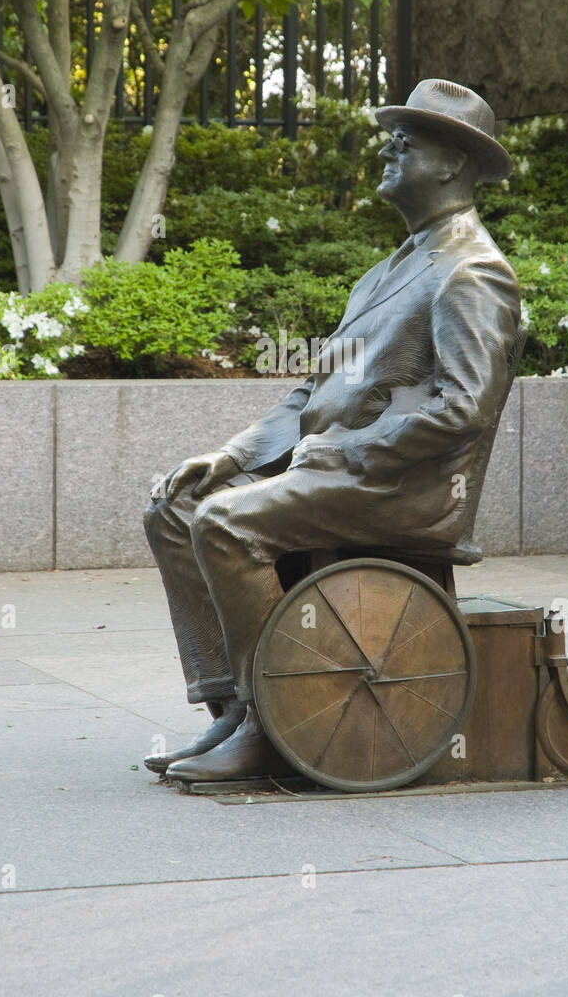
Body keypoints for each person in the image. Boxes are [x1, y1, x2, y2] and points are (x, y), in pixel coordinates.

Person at [143, 79, 521, 782]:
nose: (388, 148)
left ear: (453, 165)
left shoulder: (473, 273)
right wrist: (229, 457)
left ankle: (269, 728)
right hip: (337, 470)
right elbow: (306, 394)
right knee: (176, 507)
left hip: (402, 487)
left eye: (407, 141)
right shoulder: (384, 273)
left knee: (224, 524)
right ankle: (231, 707)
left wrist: (346, 448)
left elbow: (464, 407)